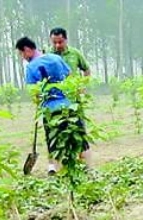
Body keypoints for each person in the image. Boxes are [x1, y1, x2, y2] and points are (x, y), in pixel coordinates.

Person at [15, 36, 92, 174]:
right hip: (70, 106)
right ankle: (88, 170)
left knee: (55, 143)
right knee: (80, 141)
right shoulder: (55, 58)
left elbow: (35, 94)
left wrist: (39, 104)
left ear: (27, 50)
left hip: (51, 110)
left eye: (21, 54)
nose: (23, 57)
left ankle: (61, 173)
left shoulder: (31, 68)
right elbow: (70, 77)